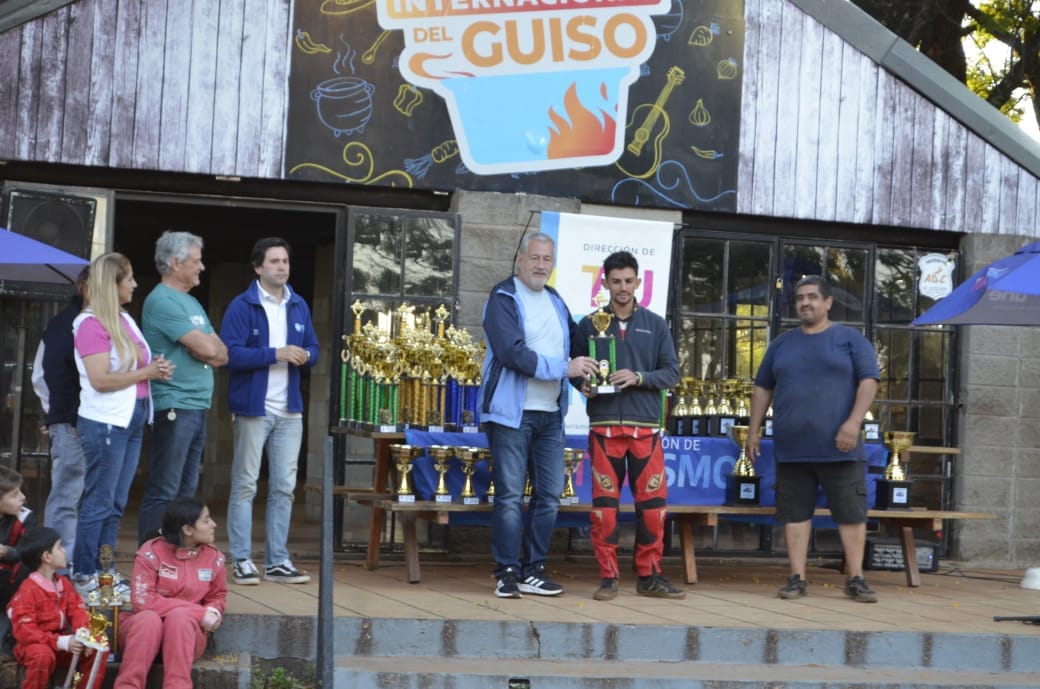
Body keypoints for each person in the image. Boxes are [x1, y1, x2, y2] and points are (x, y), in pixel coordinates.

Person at [746, 275, 881, 603]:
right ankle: (797, 578)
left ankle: (856, 578)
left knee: (851, 513)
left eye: (812, 297)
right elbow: (763, 387)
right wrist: (753, 430)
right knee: (795, 514)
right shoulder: (782, 343)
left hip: (840, 446)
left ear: (828, 302)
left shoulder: (850, 339)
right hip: (792, 448)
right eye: (800, 298)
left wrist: (853, 423)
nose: (805, 303)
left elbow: (869, 381)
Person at [479, 231, 598, 599]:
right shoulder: (502, 298)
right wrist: (566, 368)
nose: (541, 265)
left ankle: (533, 570)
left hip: (551, 415)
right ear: (520, 259)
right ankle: (506, 572)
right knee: (510, 496)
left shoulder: (556, 300)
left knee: (549, 495)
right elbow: (512, 354)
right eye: (535, 258)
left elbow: (572, 352)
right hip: (510, 416)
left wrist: (584, 381)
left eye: (547, 259)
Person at [571, 251, 683, 601]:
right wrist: (582, 385)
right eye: (616, 281)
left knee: (653, 508)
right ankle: (608, 577)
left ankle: (649, 575)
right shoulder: (589, 324)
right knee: (604, 510)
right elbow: (575, 369)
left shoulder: (656, 324)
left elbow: (672, 373)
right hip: (604, 428)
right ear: (604, 282)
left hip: (645, 429)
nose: (622, 287)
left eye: (628, 281)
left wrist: (639, 377)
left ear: (638, 282)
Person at [221, 237, 318, 585]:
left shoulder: (298, 304)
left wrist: (306, 355)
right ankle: (241, 559)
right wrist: (275, 354)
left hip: (290, 411)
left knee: (285, 488)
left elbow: (314, 347)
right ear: (258, 267)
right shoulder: (241, 305)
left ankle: (277, 560)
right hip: (253, 409)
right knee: (245, 485)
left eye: (285, 261)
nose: (281, 267)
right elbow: (229, 354)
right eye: (274, 261)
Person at [72, 253, 172, 582]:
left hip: (132, 418)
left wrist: (155, 370)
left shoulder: (123, 318)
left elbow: (133, 368)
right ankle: (85, 573)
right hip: (106, 422)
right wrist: (146, 371)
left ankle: (105, 572)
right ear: (111, 285)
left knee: (115, 503)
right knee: (99, 502)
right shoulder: (90, 324)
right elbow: (100, 380)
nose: (134, 284)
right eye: (128, 279)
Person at [139, 231, 227, 543]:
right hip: (174, 405)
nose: (202, 266)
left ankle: (176, 556)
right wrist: (204, 349)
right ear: (176, 263)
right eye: (196, 260)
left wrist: (204, 349)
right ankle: (151, 555)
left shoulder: (191, 302)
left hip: (196, 406)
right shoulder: (162, 300)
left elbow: (222, 354)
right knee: (165, 488)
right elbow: (208, 348)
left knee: (186, 492)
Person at [114, 497, 226, 689]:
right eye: (206, 520)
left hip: (185, 640)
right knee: (148, 618)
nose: (213, 524)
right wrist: (200, 613)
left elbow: (217, 595)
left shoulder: (214, 557)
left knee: (180, 617)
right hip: (142, 639)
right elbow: (144, 602)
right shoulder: (150, 553)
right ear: (188, 529)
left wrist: (214, 611)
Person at [31, 266, 88, 560]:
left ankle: (79, 566)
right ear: (84, 287)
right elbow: (43, 376)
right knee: (66, 496)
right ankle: (57, 568)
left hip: (91, 424)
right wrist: (58, 416)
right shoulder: (66, 323)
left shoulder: (102, 321)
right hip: (72, 424)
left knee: (86, 499)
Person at [7, 526, 102, 689]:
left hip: (61, 643)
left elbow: (77, 609)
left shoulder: (63, 583)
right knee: (42, 655)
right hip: (33, 645)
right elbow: (26, 631)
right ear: (47, 557)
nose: (64, 551)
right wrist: (61, 642)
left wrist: (83, 633)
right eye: (59, 547)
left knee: (96, 645)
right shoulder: (27, 590)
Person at [0, 465, 35, 639]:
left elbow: (28, 553)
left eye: (20, 491)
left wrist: (5, 551)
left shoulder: (24, 517)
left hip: (10, 586)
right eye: (14, 494)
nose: (23, 497)